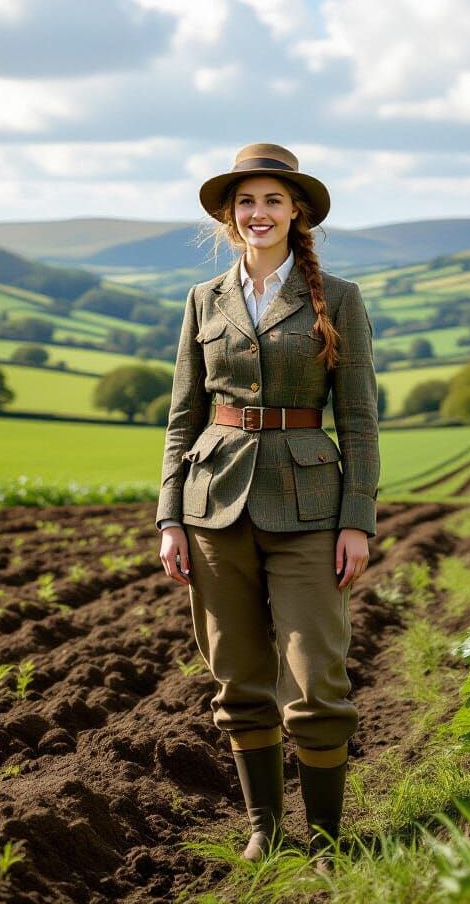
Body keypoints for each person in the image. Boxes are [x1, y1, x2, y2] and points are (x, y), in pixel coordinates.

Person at [156, 142, 380, 868]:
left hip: (311, 508)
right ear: (230, 215)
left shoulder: (338, 297)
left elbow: (360, 419)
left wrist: (357, 520)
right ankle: (265, 829)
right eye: (246, 201)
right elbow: (182, 415)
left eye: (273, 201)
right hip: (213, 506)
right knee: (238, 678)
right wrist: (169, 517)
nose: (259, 213)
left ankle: (326, 839)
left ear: (297, 212)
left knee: (317, 681)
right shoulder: (202, 301)